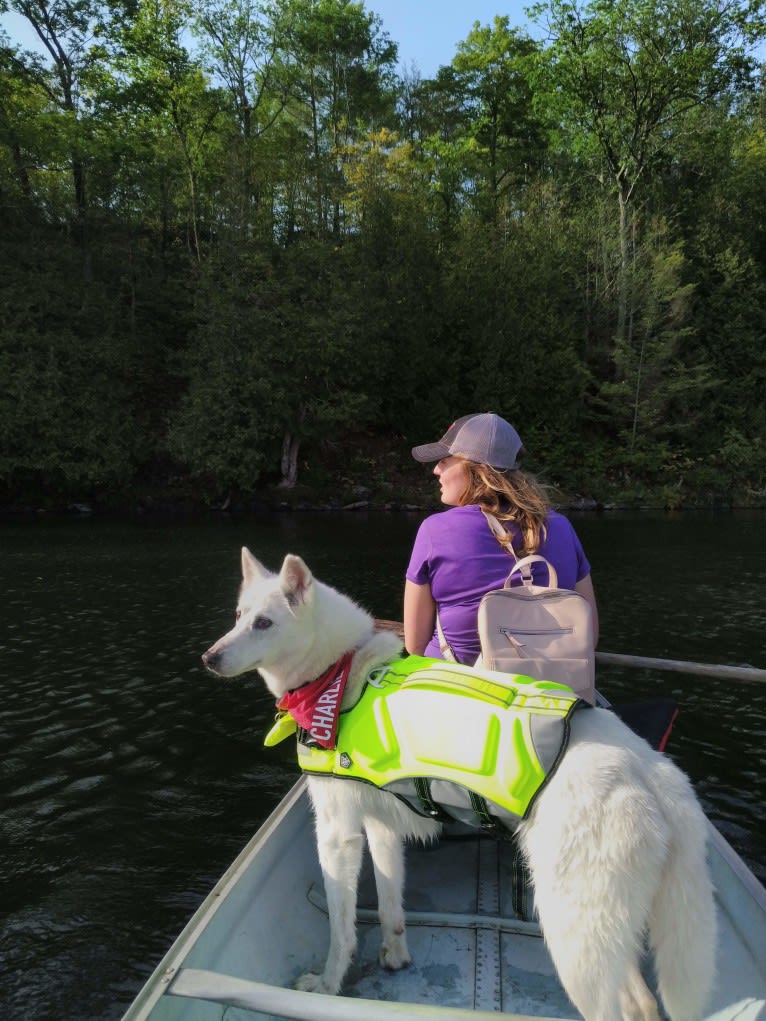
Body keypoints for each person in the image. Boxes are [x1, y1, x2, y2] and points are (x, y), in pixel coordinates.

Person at [404, 412, 598, 665]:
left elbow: (415, 644)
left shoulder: (435, 530)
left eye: (444, 460)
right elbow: (590, 636)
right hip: (548, 689)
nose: (435, 470)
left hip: (460, 689)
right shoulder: (561, 527)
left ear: (479, 470)